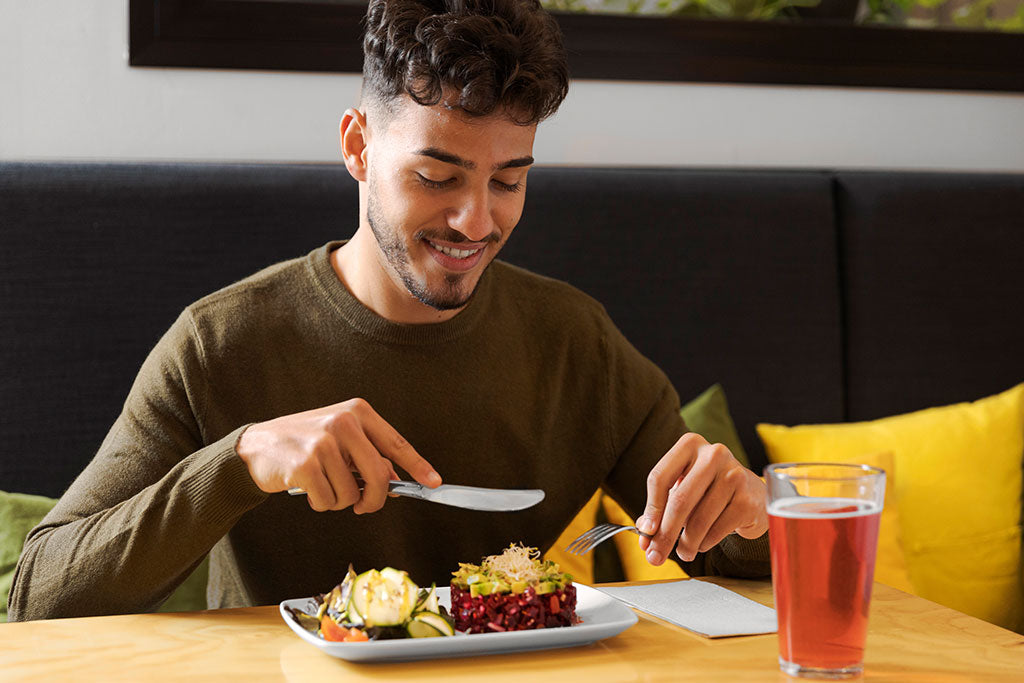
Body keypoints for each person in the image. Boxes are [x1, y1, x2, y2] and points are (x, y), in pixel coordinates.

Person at [8, 0, 768, 622]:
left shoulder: (577, 343)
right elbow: (37, 597)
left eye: (508, 181)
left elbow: (740, 553)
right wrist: (241, 463)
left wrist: (752, 511)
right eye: (437, 174)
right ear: (358, 147)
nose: (476, 221)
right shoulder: (219, 344)